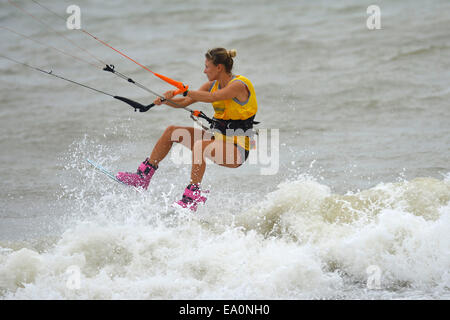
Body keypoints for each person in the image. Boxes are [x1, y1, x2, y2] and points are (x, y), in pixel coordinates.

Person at [116, 48, 258, 211]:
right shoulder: (211, 85)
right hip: (218, 140)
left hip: (238, 150)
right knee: (172, 131)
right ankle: (142, 176)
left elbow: (213, 98)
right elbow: (184, 103)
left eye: (207, 67)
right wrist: (166, 100)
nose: (204, 71)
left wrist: (186, 91)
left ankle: (193, 195)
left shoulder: (239, 85)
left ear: (219, 67)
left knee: (200, 146)